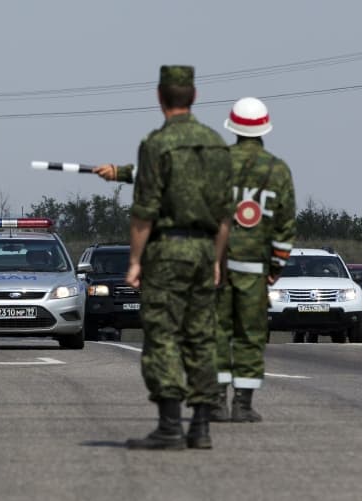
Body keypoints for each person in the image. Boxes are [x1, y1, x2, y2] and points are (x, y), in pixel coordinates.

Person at [110, 65, 233, 450]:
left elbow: (144, 211)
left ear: (159, 97)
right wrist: (215, 259)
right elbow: (224, 215)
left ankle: (169, 426)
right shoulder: (215, 144)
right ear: (193, 97)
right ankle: (201, 426)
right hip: (202, 249)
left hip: (167, 252)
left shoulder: (156, 145)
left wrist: (134, 261)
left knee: (162, 335)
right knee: (201, 336)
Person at [213, 97, 296, 423]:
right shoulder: (277, 170)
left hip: (218, 266)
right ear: (265, 129)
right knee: (249, 335)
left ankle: (217, 402)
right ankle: (243, 405)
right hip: (254, 269)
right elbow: (285, 224)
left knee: (217, 332)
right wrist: (276, 267)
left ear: (232, 128)